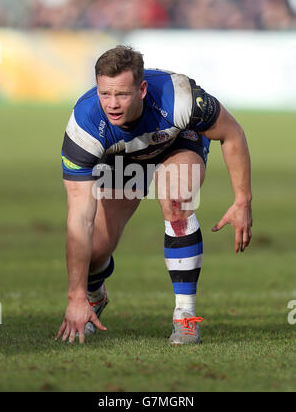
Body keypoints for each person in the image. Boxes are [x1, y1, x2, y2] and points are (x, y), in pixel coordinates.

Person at [55, 45, 252, 345]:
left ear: (142, 89)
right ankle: (94, 298)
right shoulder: (84, 128)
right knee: (95, 253)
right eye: (105, 94)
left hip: (176, 144)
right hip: (122, 158)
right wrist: (76, 295)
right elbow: (80, 219)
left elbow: (231, 133)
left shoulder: (181, 98)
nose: (112, 104)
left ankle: (185, 317)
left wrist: (242, 201)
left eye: (122, 94)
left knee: (176, 200)